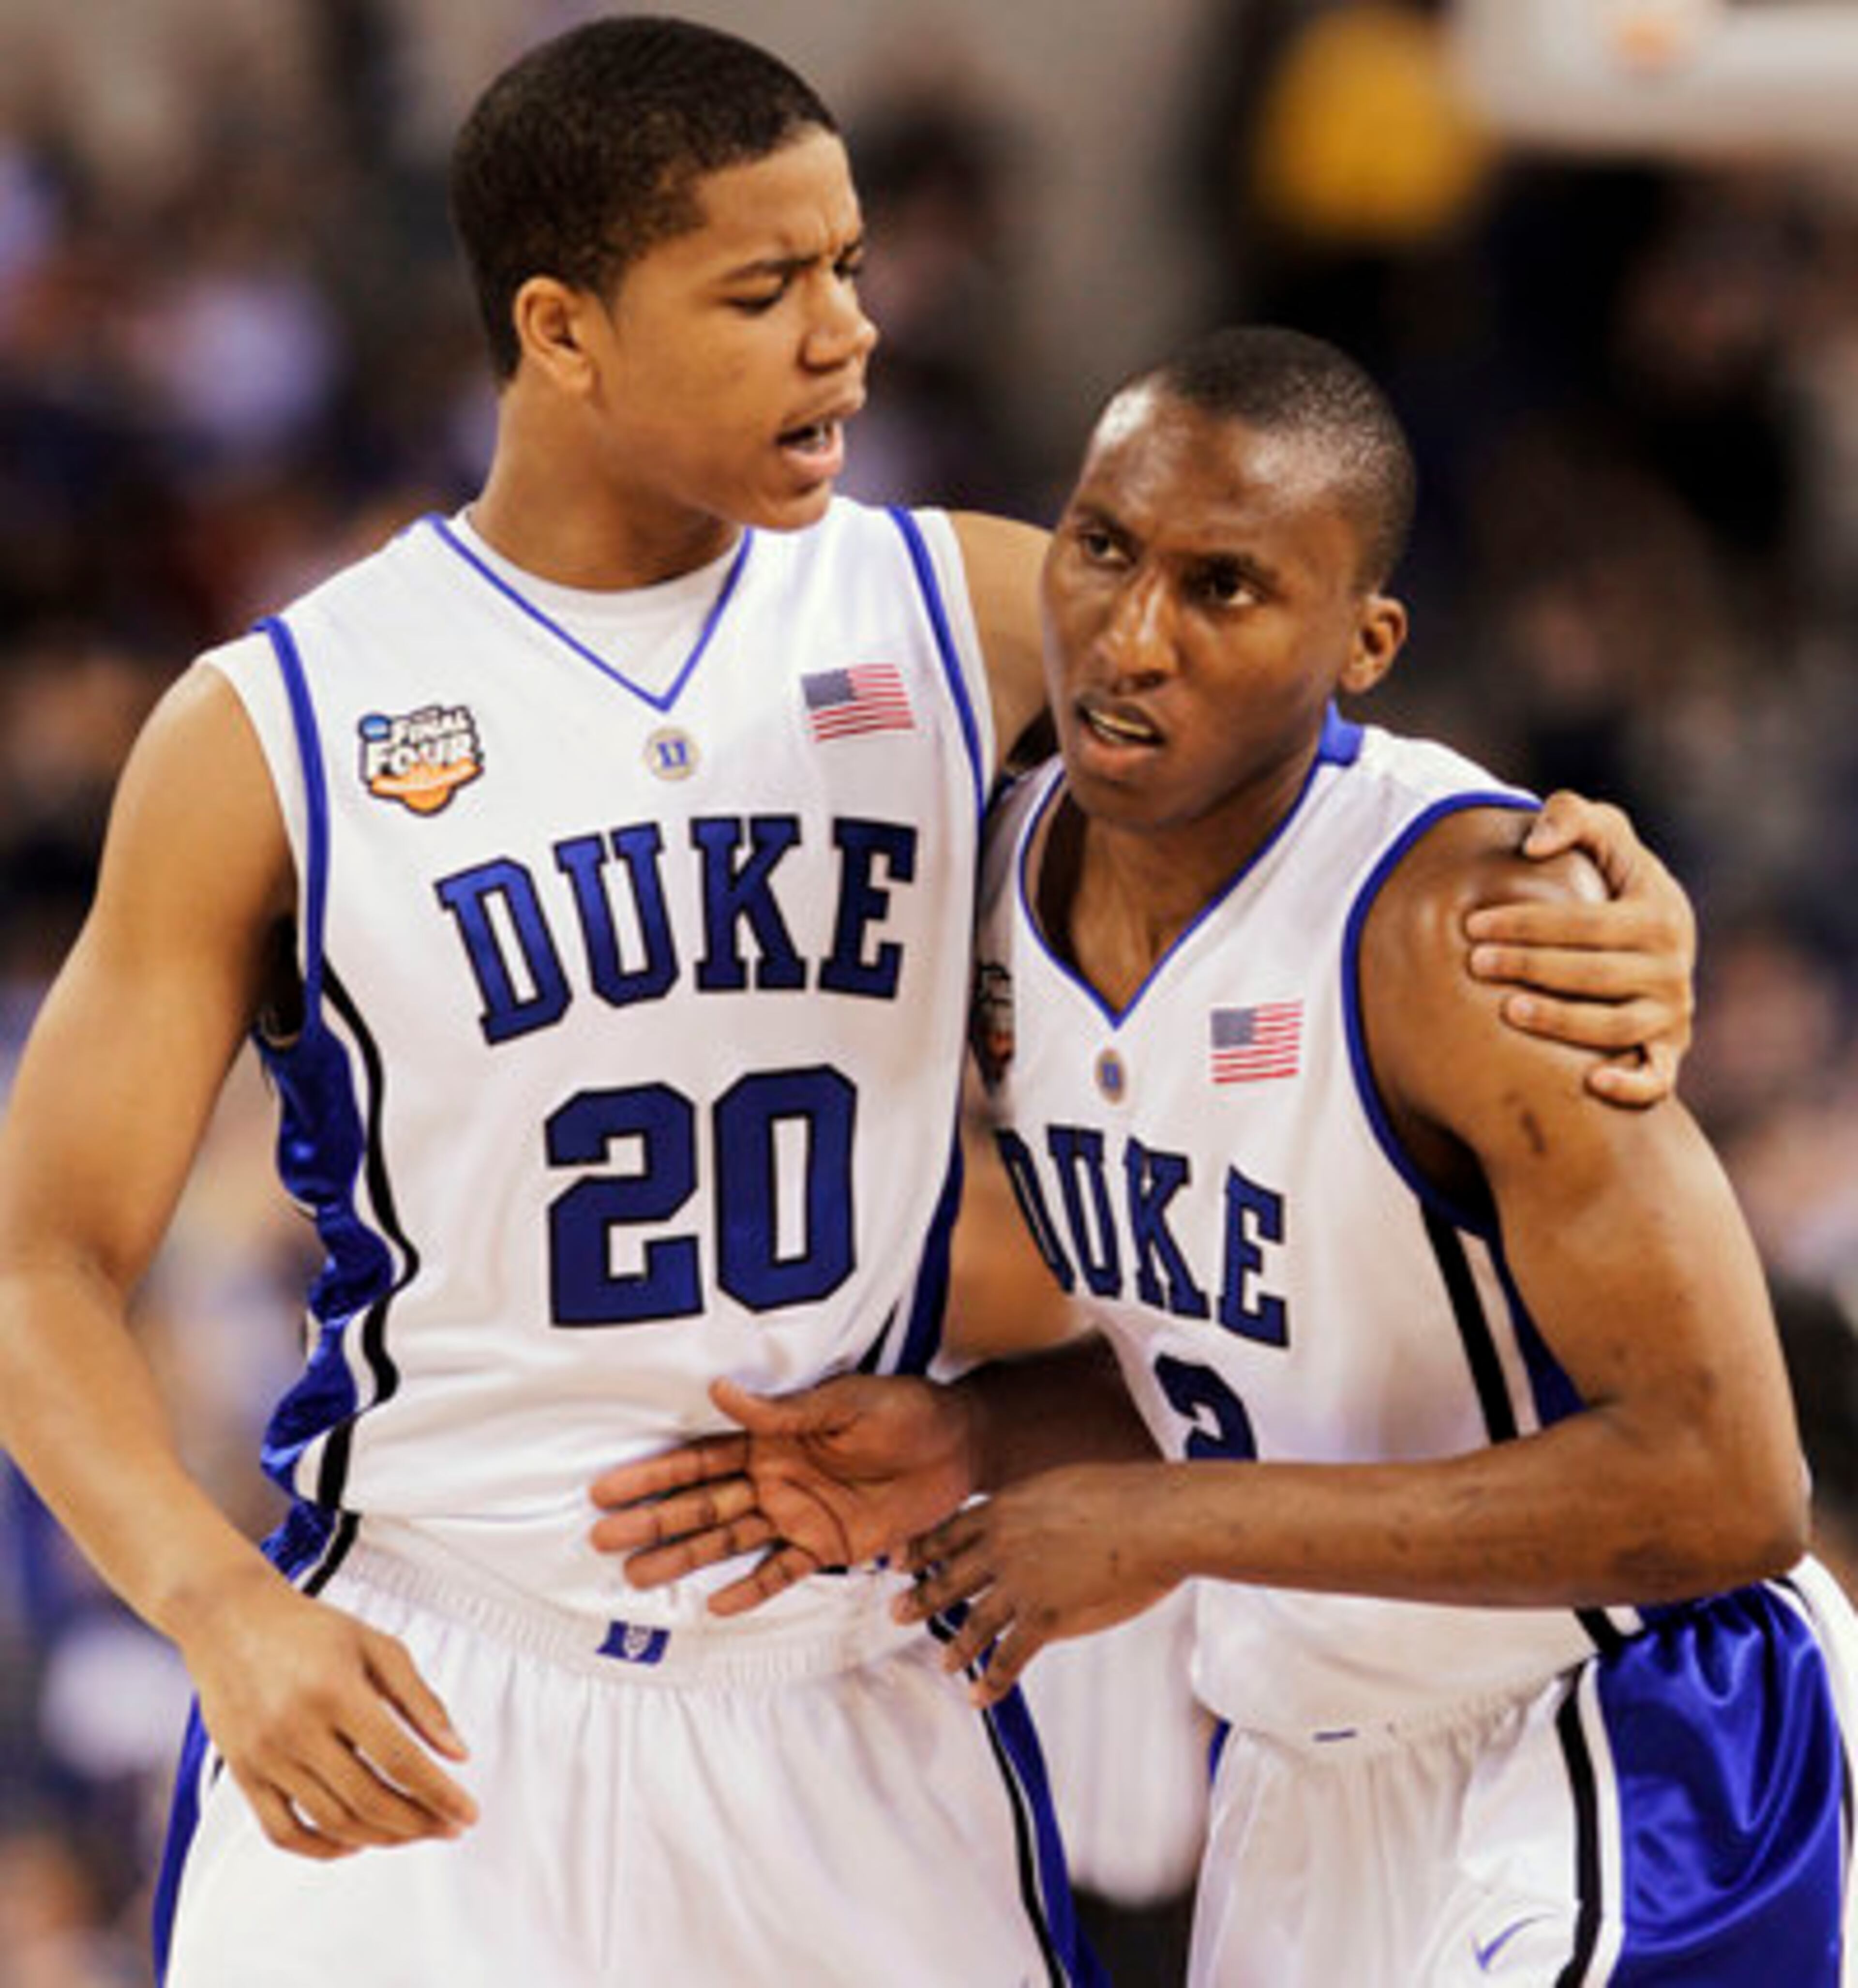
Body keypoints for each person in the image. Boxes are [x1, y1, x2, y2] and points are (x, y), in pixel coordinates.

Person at [0, 13, 1693, 1984]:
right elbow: (41, 1259)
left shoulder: (972, 610)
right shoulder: (275, 724)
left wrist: (1587, 874)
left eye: (851, 269)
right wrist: (215, 1604)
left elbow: (1359, 810)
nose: (846, 336)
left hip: (857, 1670)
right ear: (561, 330)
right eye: (763, 288)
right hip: (438, 1663)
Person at [590, 326, 1858, 1985]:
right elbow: (1266, 1361)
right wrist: (978, 1432)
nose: (1133, 636)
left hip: (1622, 1745)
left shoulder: (1468, 923)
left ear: (1365, 642)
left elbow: (1728, 1490)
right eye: (1106, 549)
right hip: (1302, 1776)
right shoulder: (990, 877)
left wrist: (1169, 1524)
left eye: (1227, 589)